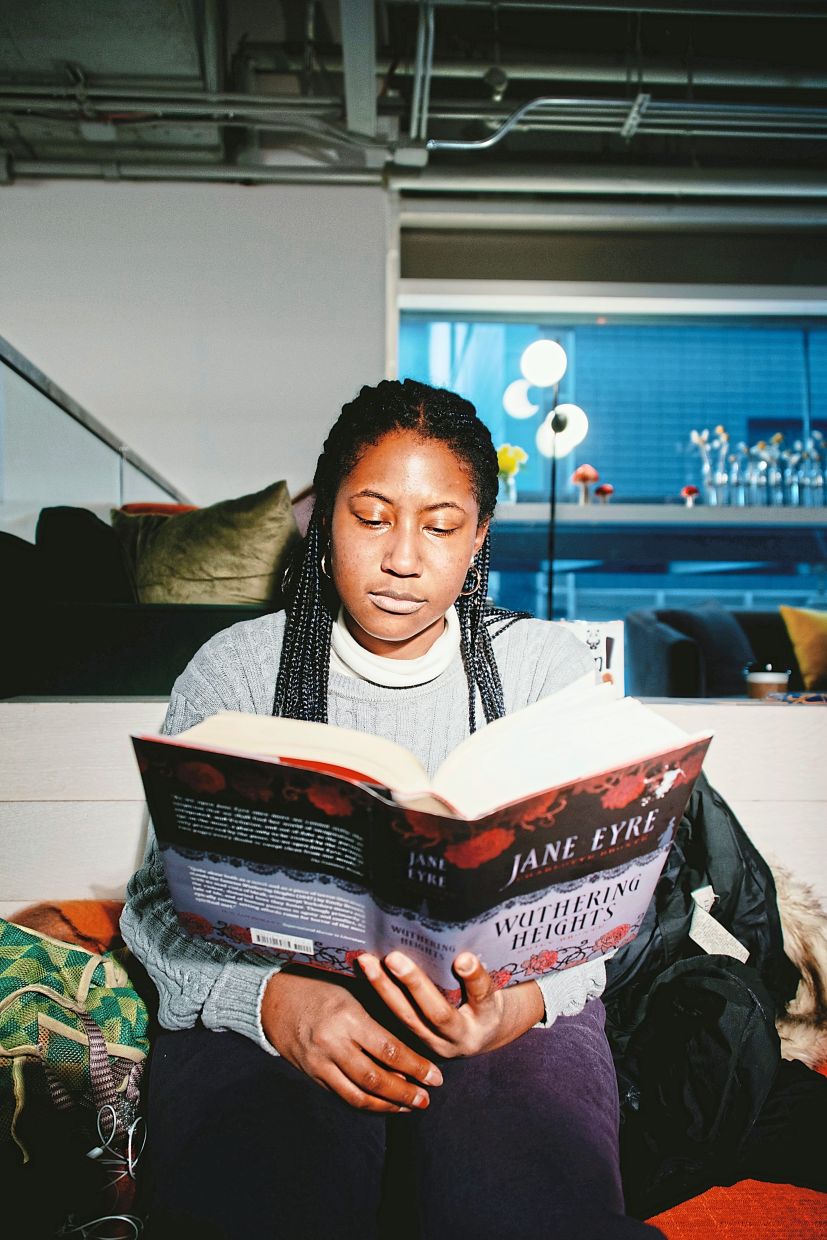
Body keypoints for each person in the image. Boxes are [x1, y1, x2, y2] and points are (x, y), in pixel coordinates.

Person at [121, 379, 665, 1240]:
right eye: (370, 517)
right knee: (254, 1195)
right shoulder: (236, 669)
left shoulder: (544, 671)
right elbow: (156, 898)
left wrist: (514, 1009)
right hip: (286, 990)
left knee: (523, 1202)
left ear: (480, 534)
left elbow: (605, 906)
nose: (403, 558)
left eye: (441, 526)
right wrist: (269, 1003)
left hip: (502, 1003)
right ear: (321, 518)